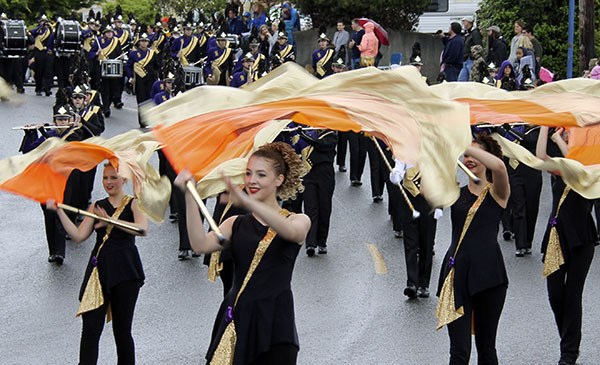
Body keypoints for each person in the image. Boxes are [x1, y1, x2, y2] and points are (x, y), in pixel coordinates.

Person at [174, 142, 310, 364]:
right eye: (248, 173)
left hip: (276, 323)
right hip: (237, 316)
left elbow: (292, 233)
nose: (252, 180)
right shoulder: (235, 223)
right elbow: (199, 245)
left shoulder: (297, 220)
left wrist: (249, 202)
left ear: (279, 179)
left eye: (261, 175)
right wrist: (189, 195)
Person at [47, 163, 148, 365]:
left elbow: (142, 229)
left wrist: (111, 221)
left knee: (122, 331)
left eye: (113, 177)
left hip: (126, 272)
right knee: (90, 330)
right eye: (105, 178)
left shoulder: (134, 204)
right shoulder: (96, 206)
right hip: (99, 272)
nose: (108, 182)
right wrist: (58, 211)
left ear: (124, 180)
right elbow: (78, 235)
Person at [437, 134, 510, 364]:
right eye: (466, 155)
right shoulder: (457, 191)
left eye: (475, 154)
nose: (468, 158)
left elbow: (499, 166)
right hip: (457, 274)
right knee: (459, 351)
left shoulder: (498, 193)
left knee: (486, 348)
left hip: (489, 277)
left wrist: (461, 139)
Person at [536, 126, 597, 365]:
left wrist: (562, 141)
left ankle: (569, 353)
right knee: (555, 294)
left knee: (573, 295)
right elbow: (540, 158)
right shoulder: (561, 167)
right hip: (555, 237)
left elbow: (578, 167)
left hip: (581, 237)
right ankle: (568, 339)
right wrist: (544, 126)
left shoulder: (590, 170)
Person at [19, 105, 84, 265]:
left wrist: (44, 132)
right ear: (54, 120)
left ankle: (60, 253)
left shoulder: (74, 134)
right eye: (59, 120)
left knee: (60, 213)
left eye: (64, 120)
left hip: (64, 181)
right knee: (49, 215)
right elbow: (28, 151)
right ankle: (52, 251)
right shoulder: (48, 134)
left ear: (69, 121)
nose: (61, 123)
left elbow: (61, 145)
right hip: (47, 181)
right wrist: (30, 133)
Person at [390, 161, 441, 298]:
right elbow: (399, 169)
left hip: (430, 200)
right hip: (409, 201)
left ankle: (423, 284)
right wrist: (396, 175)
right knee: (410, 244)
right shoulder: (406, 151)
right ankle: (412, 283)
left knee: (426, 244)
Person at [89, 25, 124, 118]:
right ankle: (106, 108)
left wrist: (121, 56)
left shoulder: (116, 41)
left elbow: (119, 53)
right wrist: (97, 53)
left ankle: (113, 101)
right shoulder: (99, 41)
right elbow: (91, 53)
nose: (109, 34)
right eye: (107, 32)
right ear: (104, 33)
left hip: (114, 68)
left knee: (114, 88)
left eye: (111, 32)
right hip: (102, 68)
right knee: (105, 89)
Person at [125, 33, 159, 127]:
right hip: (139, 80)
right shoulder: (134, 53)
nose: (144, 43)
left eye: (146, 41)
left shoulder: (152, 53)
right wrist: (130, 77)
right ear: (139, 42)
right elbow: (128, 66)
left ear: (148, 43)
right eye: (142, 41)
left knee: (150, 99)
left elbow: (157, 66)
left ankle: (149, 119)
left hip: (150, 79)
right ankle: (142, 121)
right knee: (141, 100)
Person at [30, 14, 55, 96]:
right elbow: (32, 33)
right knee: (39, 71)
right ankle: (38, 88)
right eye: (42, 21)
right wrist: (41, 26)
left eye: (45, 21)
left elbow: (53, 39)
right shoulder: (37, 29)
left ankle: (47, 89)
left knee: (48, 71)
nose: (44, 23)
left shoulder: (50, 30)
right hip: (38, 51)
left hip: (47, 51)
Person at [458, 16, 482, 82]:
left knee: (472, 78)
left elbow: (478, 45)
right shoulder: (468, 33)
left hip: (471, 60)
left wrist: (473, 55)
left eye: (464, 22)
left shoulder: (475, 33)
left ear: (469, 22)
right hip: (466, 59)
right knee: (461, 79)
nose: (463, 23)